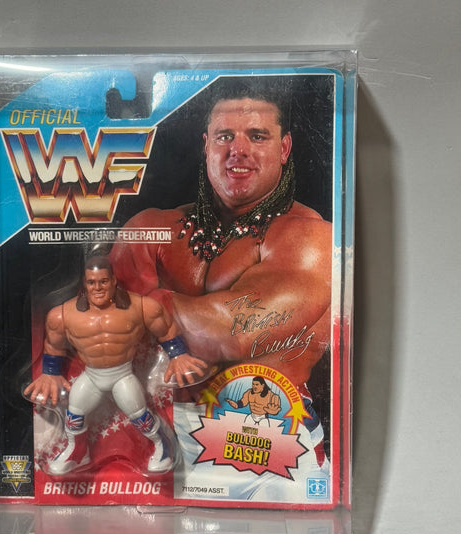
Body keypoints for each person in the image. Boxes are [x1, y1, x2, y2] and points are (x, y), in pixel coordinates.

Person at [110, 79, 331, 465]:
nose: (237, 150)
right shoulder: (152, 227)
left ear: (284, 148)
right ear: (206, 145)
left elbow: (233, 334)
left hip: (268, 441)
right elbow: (98, 335)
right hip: (156, 435)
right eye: (224, 136)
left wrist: (143, 307)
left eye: (257, 136)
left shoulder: (309, 238)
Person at [25, 256, 206, 475]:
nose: (97, 288)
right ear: (84, 283)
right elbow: (53, 345)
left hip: (122, 375)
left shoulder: (140, 306)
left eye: (103, 281)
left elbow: (166, 328)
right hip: (91, 376)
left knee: (139, 414)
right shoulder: (62, 314)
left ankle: (163, 446)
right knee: (74, 413)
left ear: (113, 280)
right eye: (92, 282)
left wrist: (178, 355)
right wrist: (50, 373)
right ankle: (78, 453)